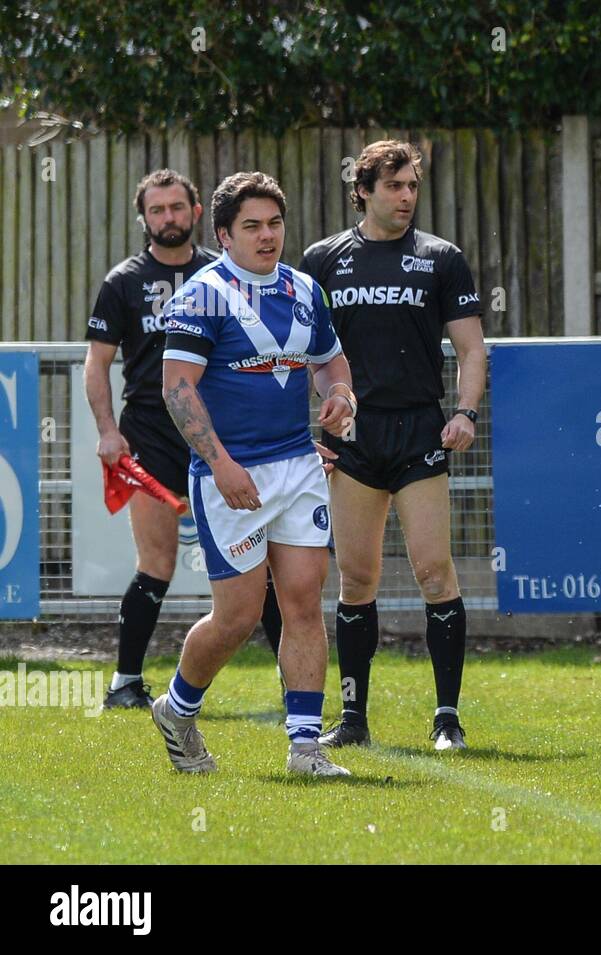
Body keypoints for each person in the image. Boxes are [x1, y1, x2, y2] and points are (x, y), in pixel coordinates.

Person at [151, 171, 357, 776]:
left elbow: (329, 362)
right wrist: (221, 465)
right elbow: (176, 390)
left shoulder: (304, 289)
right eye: (252, 226)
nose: (267, 236)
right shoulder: (201, 296)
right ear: (223, 234)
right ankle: (178, 708)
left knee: (302, 602)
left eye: (274, 223)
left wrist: (341, 394)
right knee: (238, 618)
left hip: (299, 467)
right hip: (229, 476)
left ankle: (305, 749)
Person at [299, 141, 486, 751]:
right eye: (395, 186)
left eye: (412, 186)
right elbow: (306, 356)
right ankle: (352, 720)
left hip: (417, 429)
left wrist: (464, 412)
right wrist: (316, 431)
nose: (407, 197)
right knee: (356, 579)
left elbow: (472, 349)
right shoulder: (322, 260)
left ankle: (447, 719)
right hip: (352, 434)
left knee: (435, 572)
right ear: (364, 191)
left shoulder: (440, 258)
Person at [85, 169, 282, 710]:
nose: (167, 217)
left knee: (260, 564)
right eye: (157, 209)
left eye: (177, 207)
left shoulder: (228, 277)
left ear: (199, 214)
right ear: (144, 218)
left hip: (224, 438)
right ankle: (126, 683)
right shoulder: (122, 282)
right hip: (149, 435)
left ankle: (297, 687)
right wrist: (107, 431)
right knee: (156, 564)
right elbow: (96, 365)